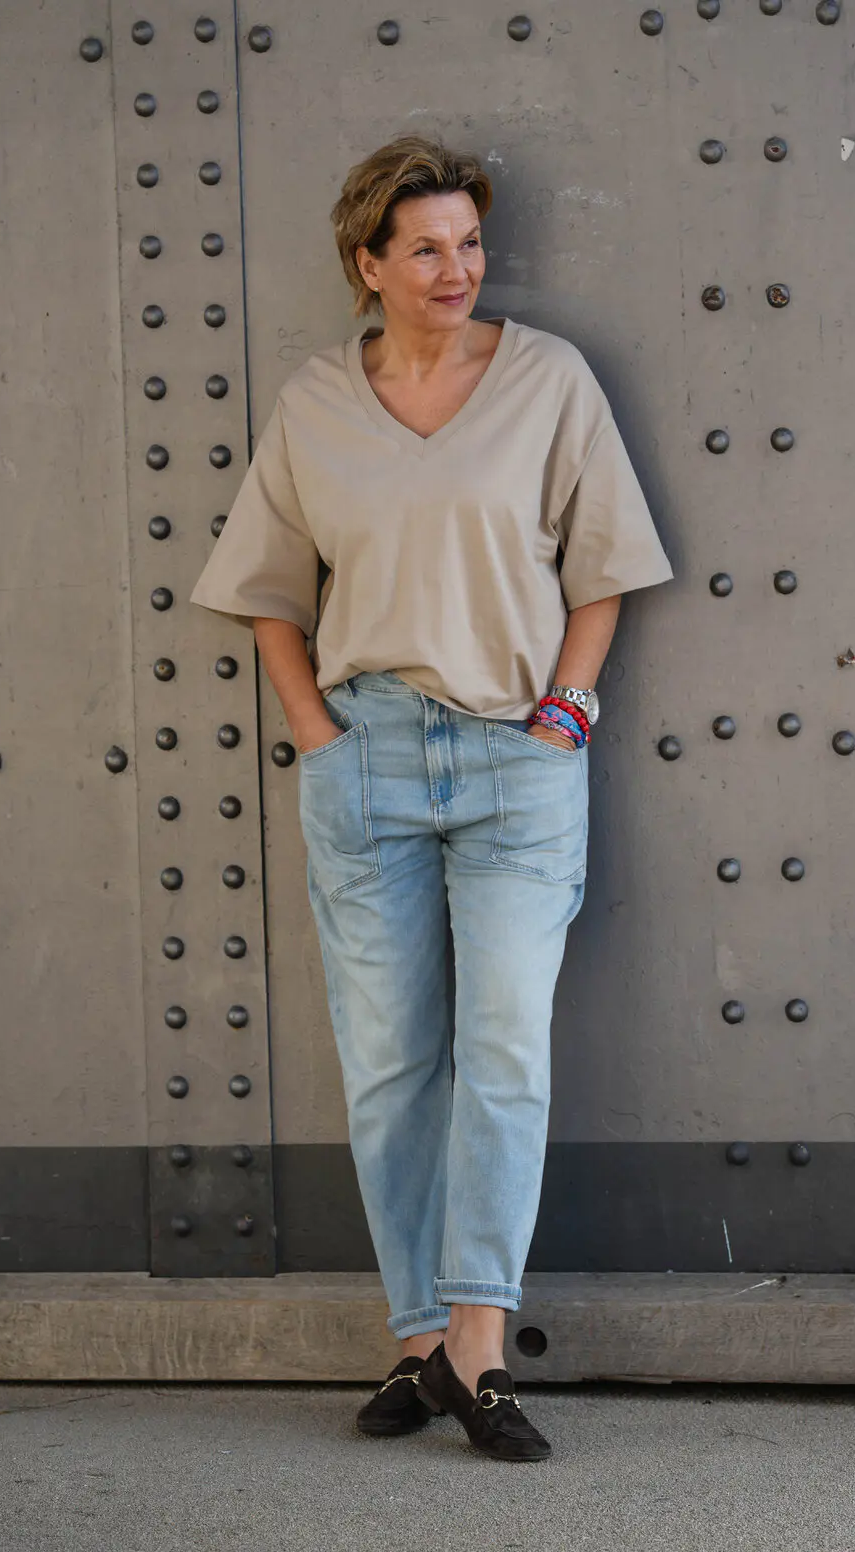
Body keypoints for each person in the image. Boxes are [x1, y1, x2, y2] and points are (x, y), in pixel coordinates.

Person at [189, 133, 674, 1461]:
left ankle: (477, 1348)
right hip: (370, 760)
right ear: (369, 264)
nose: (457, 269)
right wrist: (318, 736)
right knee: (391, 1065)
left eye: (468, 243)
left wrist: (565, 714)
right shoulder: (316, 403)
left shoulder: (547, 381)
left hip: (519, 757)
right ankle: (417, 1342)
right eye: (425, 248)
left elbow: (603, 569)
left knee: (504, 1051)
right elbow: (269, 590)